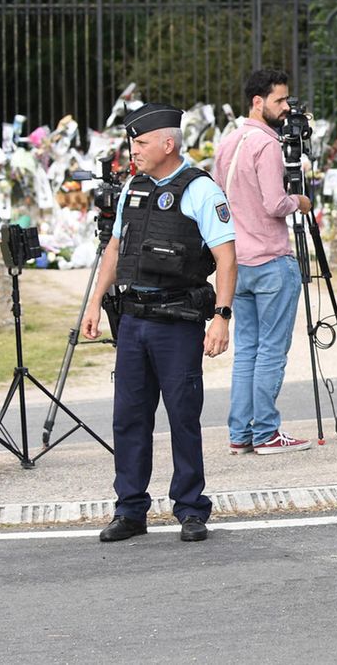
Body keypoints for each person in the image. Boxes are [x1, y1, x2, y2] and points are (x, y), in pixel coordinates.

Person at [82, 102, 237, 543]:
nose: (135, 150)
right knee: (128, 418)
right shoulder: (135, 184)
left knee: (183, 417)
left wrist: (222, 318)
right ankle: (130, 509)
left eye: (142, 142)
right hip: (132, 319)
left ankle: (190, 508)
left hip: (177, 321)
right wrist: (95, 302)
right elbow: (114, 250)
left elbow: (227, 259)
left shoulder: (201, 190)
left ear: (168, 144)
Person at [212, 69, 313, 456]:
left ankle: (241, 432)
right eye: (280, 101)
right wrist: (300, 201)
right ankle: (267, 431)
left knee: (248, 350)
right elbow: (275, 204)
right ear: (258, 102)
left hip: (239, 261)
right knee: (271, 349)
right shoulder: (266, 146)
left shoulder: (228, 143)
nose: (286, 108)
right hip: (271, 259)